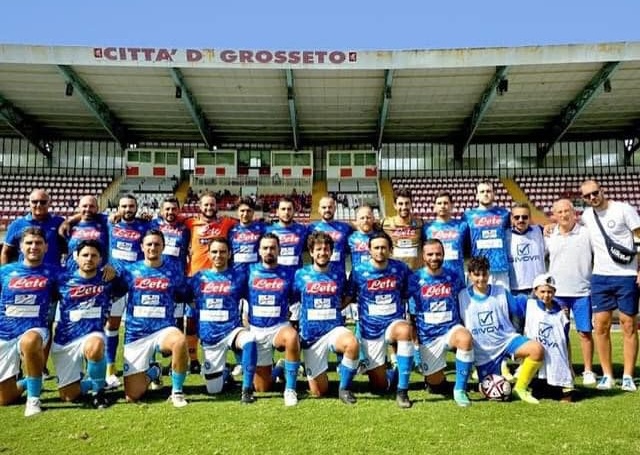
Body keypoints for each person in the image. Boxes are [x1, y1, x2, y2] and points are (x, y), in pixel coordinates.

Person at [579, 179, 640, 391]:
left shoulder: (624, 209)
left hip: (627, 274)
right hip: (600, 276)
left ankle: (628, 376)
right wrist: (550, 226)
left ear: (602, 190)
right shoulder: (587, 216)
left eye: (594, 193)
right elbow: (569, 224)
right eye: (586, 196)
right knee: (601, 326)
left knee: (629, 325)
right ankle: (607, 375)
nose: (592, 198)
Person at [458, 256, 544, 404]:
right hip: (483, 352)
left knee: (536, 350)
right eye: (477, 275)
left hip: (506, 341)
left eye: (484, 274)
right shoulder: (462, 296)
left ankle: (520, 388)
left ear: (489, 273)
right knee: (492, 389)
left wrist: (544, 303)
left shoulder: (501, 292)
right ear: (470, 275)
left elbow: (520, 308)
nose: (481, 278)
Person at [51, 240, 127, 408]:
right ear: (76, 257)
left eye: (94, 255)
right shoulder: (62, 280)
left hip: (93, 334)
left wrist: (116, 270)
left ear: (100, 259)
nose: (89, 259)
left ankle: (99, 393)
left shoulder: (108, 279)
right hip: (66, 339)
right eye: (85, 255)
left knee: (95, 344)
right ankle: (95, 382)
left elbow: (128, 283)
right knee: (69, 395)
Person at [119, 229, 189, 407]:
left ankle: (177, 392)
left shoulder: (174, 271)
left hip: (164, 329)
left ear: (163, 246)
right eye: (149, 244)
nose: (153, 247)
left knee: (180, 341)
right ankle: (154, 371)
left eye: (157, 244)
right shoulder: (130, 271)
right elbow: (112, 292)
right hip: (136, 333)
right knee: (133, 396)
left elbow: (184, 294)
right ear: (142, 247)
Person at [346, 231, 414, 408]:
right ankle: (396, 372)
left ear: (390, 249)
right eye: (376, 247)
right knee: (379, 386)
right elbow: (349, 296)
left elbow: (408, 293)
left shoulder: (401, 269)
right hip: (370, 329)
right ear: (369, 250)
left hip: (394, 323)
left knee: (405, 330)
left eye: (384, 247)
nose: (380, 251)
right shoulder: (359, 271)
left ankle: (402, 391)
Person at [0, 227, 62, 416]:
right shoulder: (5, 272)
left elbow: (83, 279)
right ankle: (33, 380)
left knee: (29, 341)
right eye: (29, 243)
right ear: (20, 246)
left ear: (46, 247)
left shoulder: (55, 273)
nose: (33, 246)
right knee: (5, 399)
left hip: (36, 330)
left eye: (38, 243)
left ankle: (33, 400)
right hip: (5, 333)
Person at [188, 237, 257, 404]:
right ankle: (224, 373)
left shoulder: (239, 277)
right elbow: (182, 296)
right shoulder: (199, 278)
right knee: (214, 390)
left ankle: (247, 390)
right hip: (210, 337)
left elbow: (253, 298)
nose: (218, 255)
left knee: (249, 340)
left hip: (232, 330)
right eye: (214, 252)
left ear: (230, 254)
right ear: (209, 254)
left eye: (223, 252)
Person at [294, 232, 359, 404]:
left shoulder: (338, 273)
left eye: (326, 249)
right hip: (310, 336)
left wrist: (336, 308)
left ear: (331, 252)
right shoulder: (300, 274)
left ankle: (344, 388)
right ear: (311, 252)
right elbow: (290, 297)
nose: (323, 252)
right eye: (319, 249)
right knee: (318, 392)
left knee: (351, 343)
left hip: (334, 329)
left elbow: (347, 296)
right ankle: (282, 369)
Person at [409, 239, 474, 407]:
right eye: (430, 254)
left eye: (438, 254)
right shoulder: (415, 279)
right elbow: (411, 314)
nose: (434, 257)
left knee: (465, 338)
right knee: (435, 384)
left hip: (451, 328)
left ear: (443, 254)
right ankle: (436, 378)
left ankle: (460, 389)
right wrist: (415, 345)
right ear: (423, 256)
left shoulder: (454, 276)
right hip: (428, 336)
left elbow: (464, 300)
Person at [184, 191, 237, 374]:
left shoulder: (226, 223)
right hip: (196, 280)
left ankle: (225, 357)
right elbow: (169, 221)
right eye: (205, 205)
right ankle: (193, 360)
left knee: (217, 318)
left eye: (212, 204)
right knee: (191, 322)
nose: (209, 208)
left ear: (217, 206)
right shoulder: (190, 223)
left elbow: (247, 226)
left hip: (219, 281)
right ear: (199, 206)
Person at [247, 233, 301, 406]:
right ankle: (280, 367)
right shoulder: (249, 272)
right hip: (256, 329)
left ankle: (290, 389)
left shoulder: (289, 273)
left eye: (272, 248)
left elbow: (296, 297)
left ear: (279, 250)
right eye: (265, 248)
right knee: (262, 388)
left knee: (292, 336)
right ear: (259, 251)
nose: (269, 251)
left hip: (279, 327)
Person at [545, 198, 595, 385]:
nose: (564, 215)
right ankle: (567, 367)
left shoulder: (586, 234)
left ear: (574, 212)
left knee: (585, 332)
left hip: (582, 292)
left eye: (567, 211)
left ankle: (588, 370)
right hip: (557, 294)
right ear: (554, 215)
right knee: (560, 334)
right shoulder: (549, 236)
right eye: (560, 212)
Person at [104, 194, 150, 389]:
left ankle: (147, 366)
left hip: (138, 282)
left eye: (131, 206)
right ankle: (110, 368)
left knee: (143, 324)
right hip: (115, 282)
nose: (128, 209)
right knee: (112, 325)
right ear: (118, 208)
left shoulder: (145, 226)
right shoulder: (110, 224)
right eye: (124, 206)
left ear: (136, 208)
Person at [518, 274, 575, 401]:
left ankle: (564, 392)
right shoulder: (529, 305)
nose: (546, 295)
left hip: (555, 354)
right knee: (536, 382)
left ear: (554, 292)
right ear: (535, 291)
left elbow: (565, 340)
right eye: (542, 291)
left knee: (561, 383)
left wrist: (569, 364)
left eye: (550, 291)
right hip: (536, 354)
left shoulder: (561, 313)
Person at [462, 180, 510, 288]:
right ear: (477, 196)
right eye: (482, 191)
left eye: (488, 191)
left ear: (493, 194)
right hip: (477, 269)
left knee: (502, 302)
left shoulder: (504, 214)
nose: (485, 194)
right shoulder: (468, 216)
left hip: (500, 268)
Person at [1, 189, 65, 266]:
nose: (38, 205)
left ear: (49, 203)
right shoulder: (16, 224)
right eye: (34, 202)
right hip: (25, 275)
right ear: (29, 203)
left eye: (43, 202)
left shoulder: (59, 222)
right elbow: (6, 252)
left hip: (52, 274)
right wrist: (4, 274)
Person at [422, 191, 468, 275]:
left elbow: (468, 249)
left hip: (457, 276)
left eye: (445, 203)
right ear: (434, 207)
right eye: (439, 203)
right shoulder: (427, 228)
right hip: (435, 277)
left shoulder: (462, 226)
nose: (442, 206)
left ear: (452, 206)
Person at [307, 195, 353, 276]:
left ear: (335, 209)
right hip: (317, 275)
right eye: (324, 207)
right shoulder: (311, 228)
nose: (327, 210)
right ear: (319, 209)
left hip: (339, 275)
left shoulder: (345, 227)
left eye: (330, 207)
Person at [62, 195, 110, 272]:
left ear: (97, 208)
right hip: (72, 275)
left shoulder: (104, 223)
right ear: (79, 207)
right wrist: (68, 221)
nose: (88, 209)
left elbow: (118, 216)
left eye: (91, 206)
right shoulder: (68, 226)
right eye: (84, 206)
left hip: (97, 275)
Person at [507, 202, 546, 297]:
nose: (521, 220)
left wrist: (551, 226)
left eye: (524, 217)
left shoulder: (540, 230)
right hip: (515, 289)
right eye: (517, 217)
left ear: (530, 217)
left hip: (538, 287)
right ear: (511, 218)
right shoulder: (505, 235)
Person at [381, 188, 424, 271]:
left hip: (415, 273)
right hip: (394, 273)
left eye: (407, 203)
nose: (404, 207)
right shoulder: (385, 224)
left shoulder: (420, 224)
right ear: (395, 205)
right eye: (400, 204)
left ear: (411, 204)